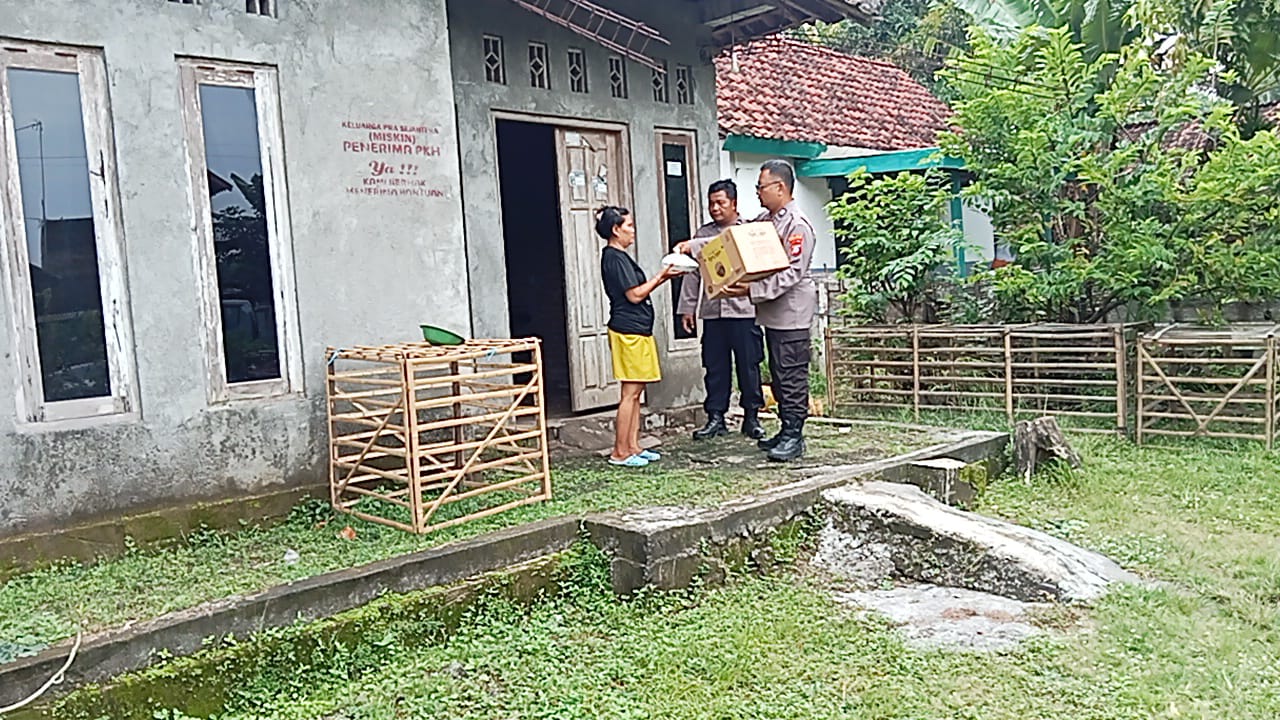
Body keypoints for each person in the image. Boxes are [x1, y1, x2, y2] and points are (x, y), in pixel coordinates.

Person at [722, 160, 818, 462]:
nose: (758, 193)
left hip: (792, 314)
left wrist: (751, 291)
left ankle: (794, 435)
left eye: (761, 187)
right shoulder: (768, 219)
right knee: (778, 373)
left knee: (791, 373)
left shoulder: (797, 224)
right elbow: (741, 239)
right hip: (774, 314)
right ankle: (785, 427)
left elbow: (791, 272)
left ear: (780, 187)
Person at [676, 179, 766, 441]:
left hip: (744, 310)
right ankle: (716, 416)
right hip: (713, 312)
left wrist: (694, 245)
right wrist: (687, 308)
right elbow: (693, 275)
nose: (715, 208)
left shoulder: (746, 230)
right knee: (715, 366)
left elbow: (728, 242)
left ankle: (752, 416)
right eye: (711, 203)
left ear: (734, 203)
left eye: (720, 203)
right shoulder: (702, 233)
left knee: (749, 366)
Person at [597, 206, 682, 468]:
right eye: (629, 226)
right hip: (627, 330)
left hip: (638, 330)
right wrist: (661, 276)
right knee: (630, 393)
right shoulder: (613, 257)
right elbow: (634, 295)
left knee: (637, 391)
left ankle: (633, 446)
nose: (633, 231)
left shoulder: (621, 256)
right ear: (615, 229)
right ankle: (620, 451)